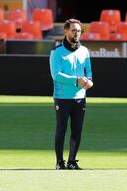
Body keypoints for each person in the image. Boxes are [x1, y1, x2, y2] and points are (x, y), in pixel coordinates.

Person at [49, 18, 93, 170]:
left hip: (80, 97)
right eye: (73, 30)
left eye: (79, 31)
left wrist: (90, 81)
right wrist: (77, 80)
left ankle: (72, 161)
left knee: (77, 129)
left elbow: (88, 72)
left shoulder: (85, 51)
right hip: (62, 97)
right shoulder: (57, 52)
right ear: (66, 31)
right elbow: (56, 75)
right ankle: (60, 162)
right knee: (61, 129)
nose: (76, 33)